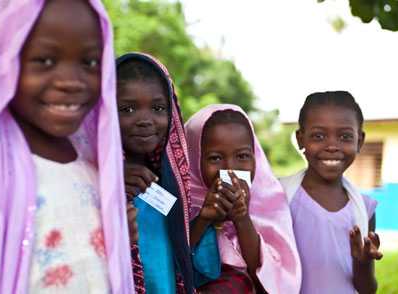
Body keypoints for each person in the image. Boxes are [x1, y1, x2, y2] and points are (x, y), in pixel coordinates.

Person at [0, 1, 134, 293]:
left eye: (89, 62)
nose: (70, 82)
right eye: (46, 60)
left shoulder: (94, 162)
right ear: (3, 57)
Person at [185, 104, 301, 293]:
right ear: (194, 157)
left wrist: (242, 218)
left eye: (242, 156)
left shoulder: (269, 201)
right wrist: (204, 219)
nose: (230, 168)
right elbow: (170, 262)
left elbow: (271, 276)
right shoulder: (178, 199)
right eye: (215, 158)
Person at [279, 91, 383, 294]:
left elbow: (367, 289)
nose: (332, 146)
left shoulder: (364, 209)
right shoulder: (280, 197)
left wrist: (362, 263)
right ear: (301, 139)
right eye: (318, 136)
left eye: (345, 136)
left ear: (359, 141)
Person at [116, 53, 194, 294]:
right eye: (127, 109)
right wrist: (113, 186)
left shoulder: (176, 184)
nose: (145, 121)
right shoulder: (90, 181)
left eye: (158, 108)